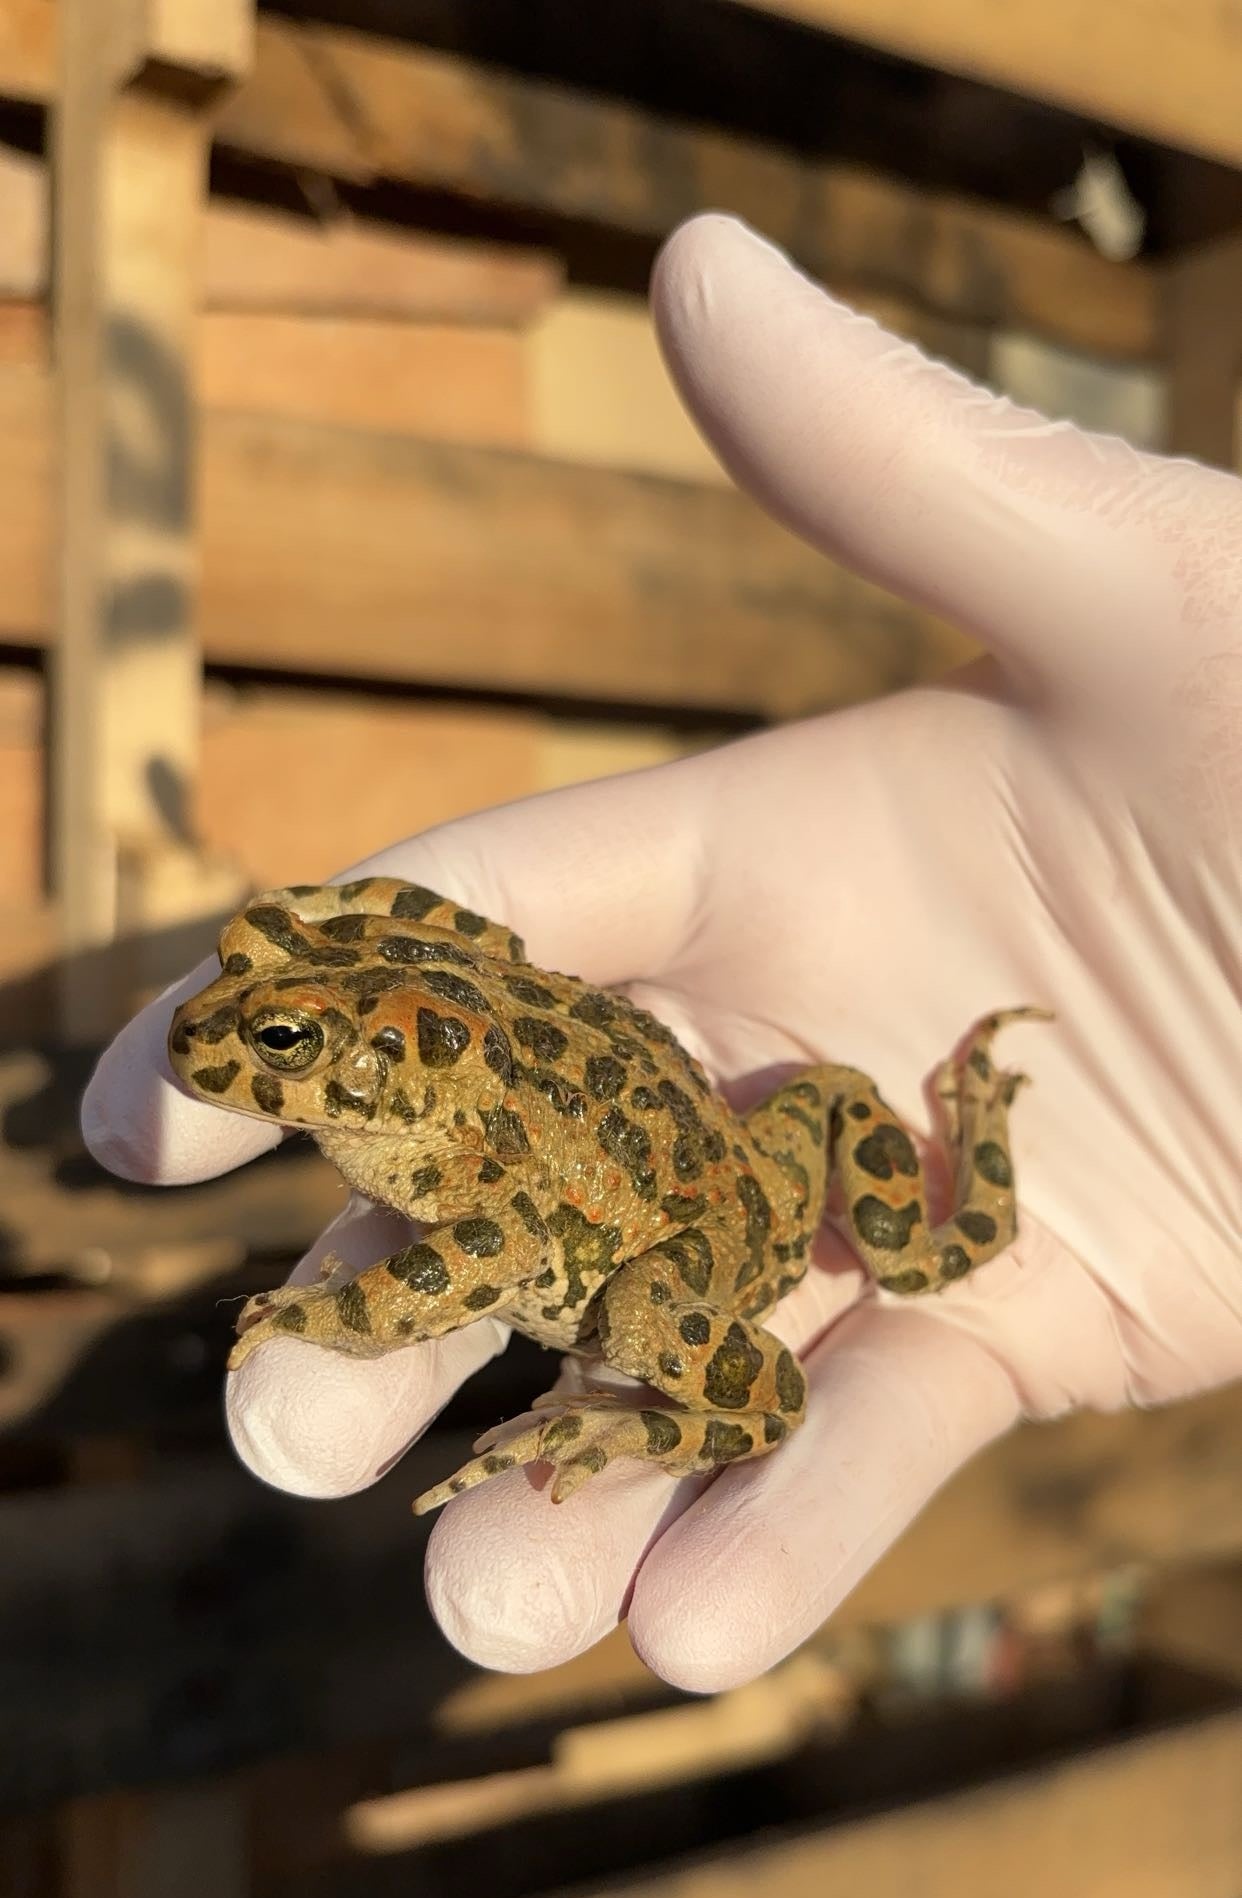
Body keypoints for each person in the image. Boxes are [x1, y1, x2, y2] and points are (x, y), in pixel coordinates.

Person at [81, 215, 1242, 1693]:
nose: (235, 1034)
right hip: (678, 1137)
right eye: (265, 995)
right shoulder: (425, 1053)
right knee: (794, 1125)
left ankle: (925, 1197)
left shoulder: (444, 1124)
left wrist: (348, 1311)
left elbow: (492, 1241)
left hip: (681, 1225)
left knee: (672, 1312)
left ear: (370, 1055)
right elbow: (472, 1040)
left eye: (286, 1033)